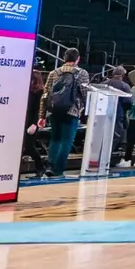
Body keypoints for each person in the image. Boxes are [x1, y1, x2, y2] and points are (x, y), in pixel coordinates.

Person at [36, 48, 90, 179]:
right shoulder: (82, 73)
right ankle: (57, 170)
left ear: (64, 58)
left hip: (54, 111)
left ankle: (50, 167)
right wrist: (85, 110)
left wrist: (42, 116)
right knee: (66, 141)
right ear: (78, 59)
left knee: (55, 139)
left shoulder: (54, 73)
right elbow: (85, 94)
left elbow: (45, 95)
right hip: (72, 111)